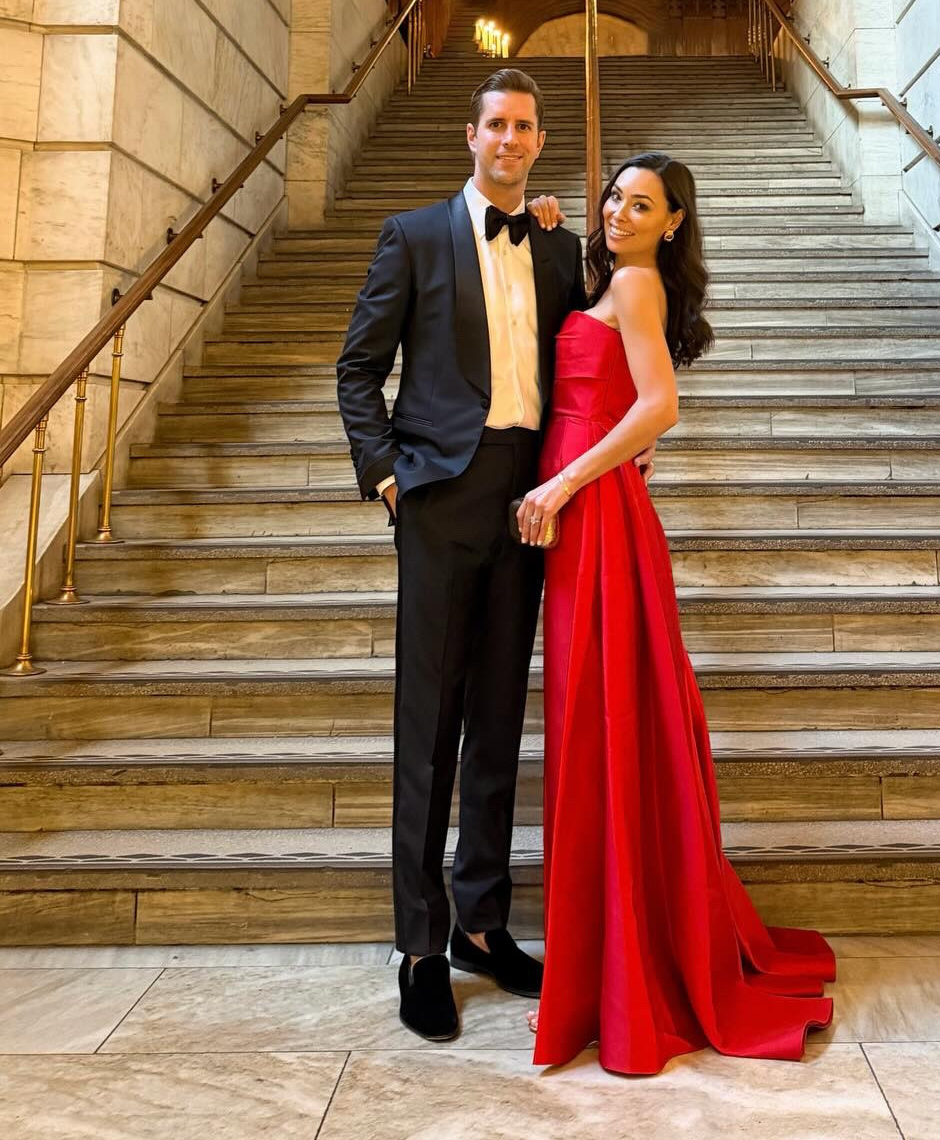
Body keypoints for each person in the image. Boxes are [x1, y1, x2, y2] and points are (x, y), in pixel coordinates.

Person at [515, 152, 836, 1075]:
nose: (619, 211)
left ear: (673, 222)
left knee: (604, 720)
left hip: (594, 515)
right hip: (593, 513)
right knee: (597, 721)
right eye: (614, 195)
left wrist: (564, 483)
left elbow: (662, 404)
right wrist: (545, 226)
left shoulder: (635, 282)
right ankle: (611, 957)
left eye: (642, 203)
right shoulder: (612, 277)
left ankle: (621, 970)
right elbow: (624, 396)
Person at [336, 68, 588, 1043]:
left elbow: (591, 350)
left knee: (496, 720)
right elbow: (359, 368)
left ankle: (481, 924)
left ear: (538, 140)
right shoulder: (412, 236)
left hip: (528, 499)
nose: (511, 139)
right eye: (497, 124)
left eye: (525, 126)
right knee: (429, 726)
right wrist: (387, 475)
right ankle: (419, 946)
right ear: (470, 136)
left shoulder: (558, 244)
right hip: (441, 496)